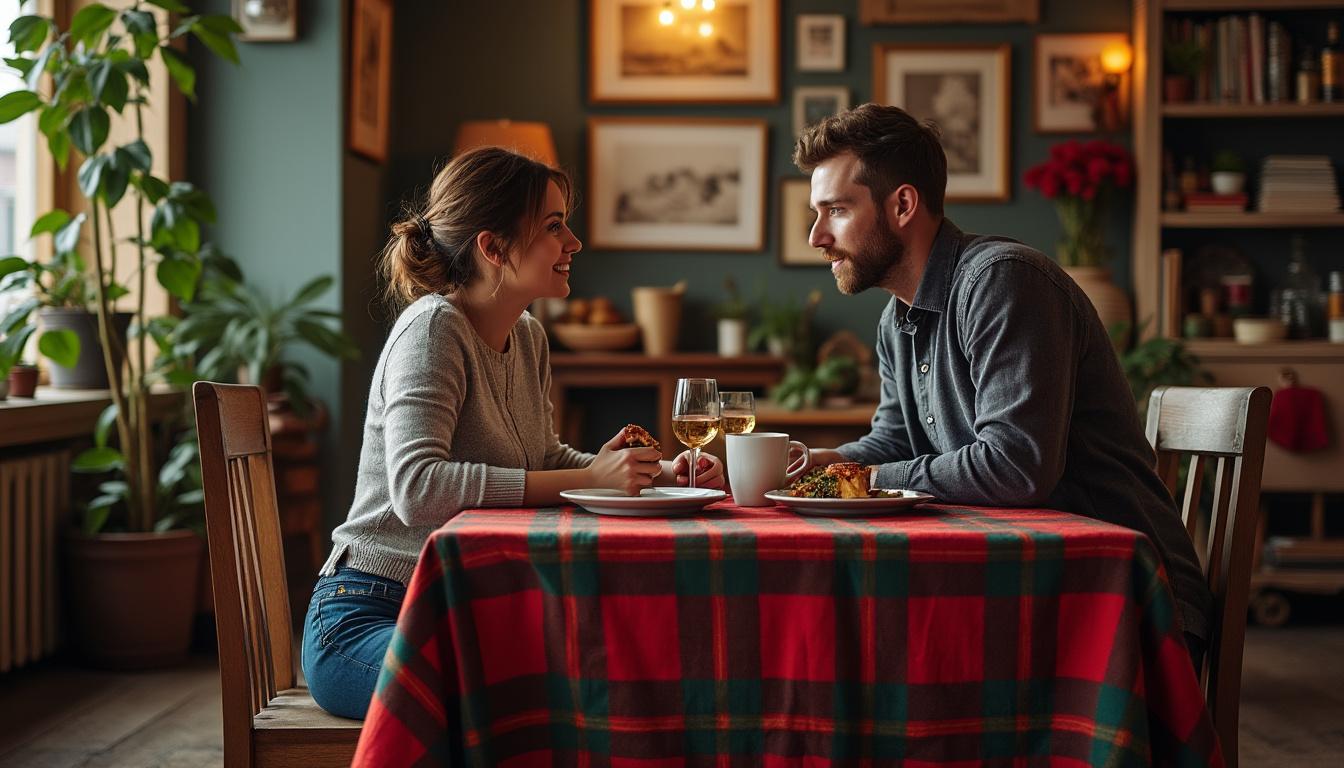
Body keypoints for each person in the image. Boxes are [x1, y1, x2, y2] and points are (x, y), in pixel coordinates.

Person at [301, 147, 725, 719]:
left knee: (582, 666)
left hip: (454, 606)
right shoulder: (432, 329)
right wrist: (587, 478)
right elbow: (417, 488)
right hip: (368, 614)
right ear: (493, 248)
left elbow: (543, 455)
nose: (573, 242)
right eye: (554, 226)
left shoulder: (527, 336)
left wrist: (650, 477)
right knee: (518, 684)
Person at [793, 104, 1212, 671]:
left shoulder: (1001, 281)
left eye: (836, 211)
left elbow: (1015, 468)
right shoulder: (899, 318)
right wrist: (822, 467)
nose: (816, 235)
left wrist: (857, 481)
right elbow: (893, 441)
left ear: (903, 205)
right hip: (1030, 585)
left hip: (1127, 601)